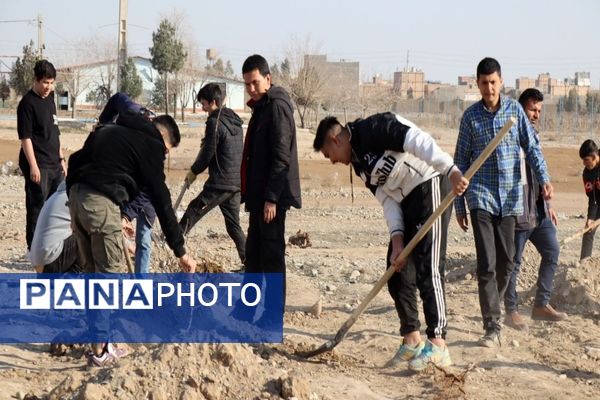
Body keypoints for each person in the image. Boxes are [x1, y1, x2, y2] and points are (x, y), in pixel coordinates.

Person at [313, 112, 469, 371]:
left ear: (335, 140)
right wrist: (397, 240)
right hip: (406, 201)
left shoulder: (375, 128)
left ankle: (439, 344)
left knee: (428, 268)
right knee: (396, 272)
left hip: (429, 183)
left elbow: (417, 140)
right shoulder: (359, 165)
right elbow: (387, 200)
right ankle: (412, 341)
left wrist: (449, 169)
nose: (332, 162)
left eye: (329, 155)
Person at [66, 109, 197, 366]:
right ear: (161, 136)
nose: (165, 155)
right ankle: (101, 351)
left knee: (93, 274)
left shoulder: (112, 129)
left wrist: (118, 213)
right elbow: (162, 200)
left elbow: (76, 160)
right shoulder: (150, 144)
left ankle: (98, 343)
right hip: (100, 204)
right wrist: (181, 251)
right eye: (167, 149)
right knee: (108, 276)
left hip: (76, 199)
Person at [454, 58, 553, 347]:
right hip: (481, 196)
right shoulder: (470, 117)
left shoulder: (514, 112)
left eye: (493, 82)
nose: (489, 88)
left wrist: (544, 178)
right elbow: (460, 162)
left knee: (507, 262)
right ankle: (492, 325)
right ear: (477, 83)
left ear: (501, 81)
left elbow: (531, 147)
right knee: (487, 262)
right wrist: (460, 206)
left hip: (510, 198)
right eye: (483, 83)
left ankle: (493, 305)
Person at [240, 55, 301, 313]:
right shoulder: (262, 107)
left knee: (272, 256)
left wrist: (272, 198)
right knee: (253, 254)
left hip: (270, 198)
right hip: (259, 195)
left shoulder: (277, 106)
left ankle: (271, 315)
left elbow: (281, 155)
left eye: (255, 82)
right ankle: (245, 309)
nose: (251, 89)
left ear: (268, 78)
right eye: (247, 85)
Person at [503, 89, 566, 330]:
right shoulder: (509, 137)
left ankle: (541, 305)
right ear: (520, 109)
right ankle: (511, 311)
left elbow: (539, 172)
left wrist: (547, 205)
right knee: (514, 263)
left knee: (552, 251)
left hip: (538, 211)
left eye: (539, 110)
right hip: (518, 211)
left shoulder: (535, 137)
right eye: (532, 109)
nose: (536, 115)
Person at [181, 83, 246, 264]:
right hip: (235, 183)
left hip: (220, 182)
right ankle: (249, 263)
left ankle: (173, 241)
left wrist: (194, 171)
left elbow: (208, 153)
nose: (202, 108)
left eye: (204, 104)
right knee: (233, 226)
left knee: (194, 209)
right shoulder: (234, 121)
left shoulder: (214, 122)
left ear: (213, 102)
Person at [98, 92, 158, 273]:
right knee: (111, 231)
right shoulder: (129, 113)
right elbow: (118, 98)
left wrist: (126, 216)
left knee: (144, 238)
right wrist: (103, 123)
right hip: (119, 184)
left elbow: (147, 193)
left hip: (145, 193)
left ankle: (140, 282)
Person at [17, 59, 67, 250]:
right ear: (36, 80)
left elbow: (55, 131)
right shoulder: (27, 104)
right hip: (39, 165)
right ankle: (34, 250)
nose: (48, 86)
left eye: (51, 82)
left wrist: (61, 159)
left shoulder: (51, 99)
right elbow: (25, 138)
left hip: (55, 163)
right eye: (45, 82)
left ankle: (51, 247)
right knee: (37, 208)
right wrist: (33, 166)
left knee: (55, 208)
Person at [29, 181, 81, 273]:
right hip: (50, 263)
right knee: (87, 236)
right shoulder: (73, 196)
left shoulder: (59, 194)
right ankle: (72, 278)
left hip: (42, 263)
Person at [579, 139, 600, 261]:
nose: (584, 163)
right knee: (588, 231)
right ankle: (584, 263)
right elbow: (593, 197)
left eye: (586, 160)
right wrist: (591, 218)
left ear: (594, 156)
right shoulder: (587, 173)